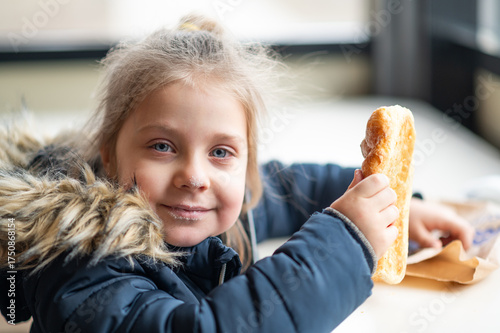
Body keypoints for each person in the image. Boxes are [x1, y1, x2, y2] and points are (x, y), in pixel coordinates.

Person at [0, 14, 473, 333]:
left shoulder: (213, 204)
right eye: (163, 146)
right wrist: (346, 242)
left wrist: (398, 210)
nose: (195, 176)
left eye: (222, 151)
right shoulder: (87, 269)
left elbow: (292, 185)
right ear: (110, 152)